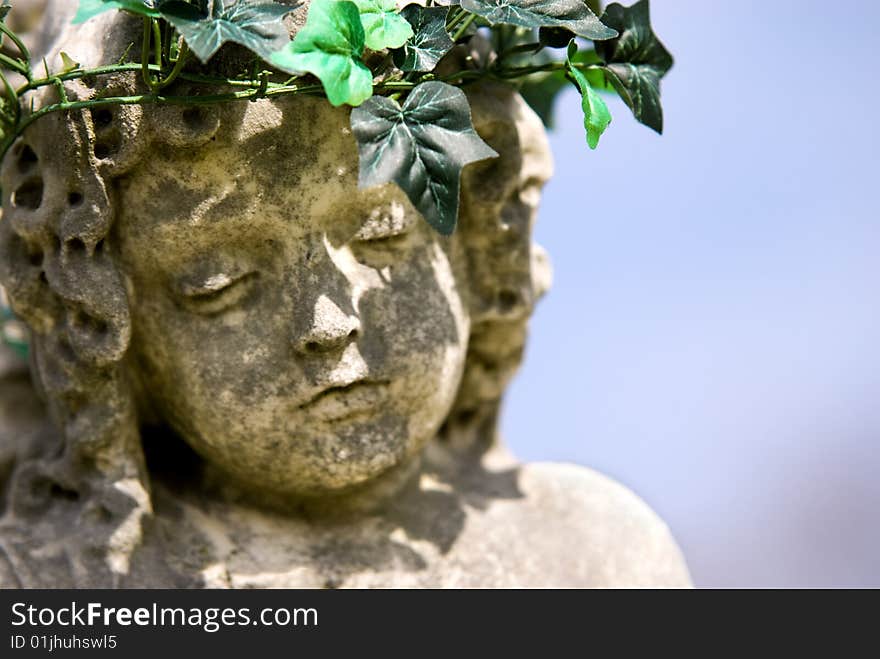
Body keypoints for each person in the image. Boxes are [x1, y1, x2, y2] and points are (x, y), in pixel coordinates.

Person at [0, 5, 690, 587]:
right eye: (219, 283)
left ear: (480, 248)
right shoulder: (65, 582)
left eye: (381, 232)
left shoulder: (590, 555)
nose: (327, 320)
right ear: (104, 331)